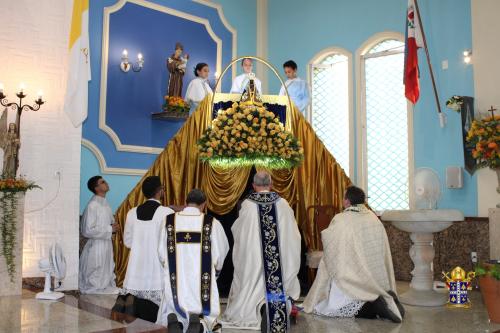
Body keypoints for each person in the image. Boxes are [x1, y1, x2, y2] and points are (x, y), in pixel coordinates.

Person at [303, 186, 404, 323]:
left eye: (344, 197)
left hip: (352, 273)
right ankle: (383, 298)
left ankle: (374, 308)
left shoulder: (342, 219)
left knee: (332, 308)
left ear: (347, 201)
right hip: (374, 273)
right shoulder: (373, 218)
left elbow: (329, 240)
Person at [222, 171, 301, 332]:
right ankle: (270, 304)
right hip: (277, 263)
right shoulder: (283, 204)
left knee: (251, 274)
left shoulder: (248, 205)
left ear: (253, 185)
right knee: (276, 277)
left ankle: (257, 304)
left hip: (253, 260)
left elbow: (239, 231)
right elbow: (294, 234)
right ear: (271, 185)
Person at [157, 189, 229, 333]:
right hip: (202, 278)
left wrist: (169, 266)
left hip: (176, 278)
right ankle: (200, 323)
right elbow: (222, 250)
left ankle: (177, 321)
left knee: (173, 303)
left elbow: (161, 252)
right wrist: (216, 271)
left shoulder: (169, 220)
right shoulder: (211, 222)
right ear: (203, 204)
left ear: (186, 202)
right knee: (204, 308)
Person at [112, 176, 174, 322]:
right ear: (160, 191)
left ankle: (128, 303)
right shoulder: (167, 213)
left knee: (136, 292)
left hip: (136, 264)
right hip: (156, 264)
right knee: (157, 306)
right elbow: (168, 242)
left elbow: (127, 242)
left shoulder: (132, 212)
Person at [79, 176, 119, 294]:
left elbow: (110, 222)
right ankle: (94, 286)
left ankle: (105, 284)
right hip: (96, 244)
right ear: (97, 188)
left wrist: (113, 226)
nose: (106, 183)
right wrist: (109, 229)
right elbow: (87, 230)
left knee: (107, 266)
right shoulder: (92, 205)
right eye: (102, 182)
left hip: (106, 242)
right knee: (96, 269)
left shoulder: (105, 204)